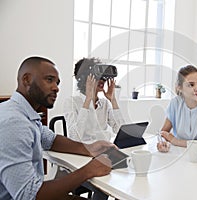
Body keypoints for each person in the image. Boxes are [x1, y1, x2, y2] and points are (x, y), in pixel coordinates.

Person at [0, 56, 115, 200]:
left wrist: (89, 148)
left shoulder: (24, 113)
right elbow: (28, 195)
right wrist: (87, 171)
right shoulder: (13, 123)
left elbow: (51, 140)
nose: (56, 88)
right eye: (49, 80)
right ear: (26, 80)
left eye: (57, 82)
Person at [64, 58, 124, 143]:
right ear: (84, 80)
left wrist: (113, 100)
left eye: (104, 77)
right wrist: (88, 100)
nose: (103, 80)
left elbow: (120, 131)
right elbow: (75, 137)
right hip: (84, 150)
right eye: (97, 77)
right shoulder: (72, 102)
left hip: (104, 148)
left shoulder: (105, 103)